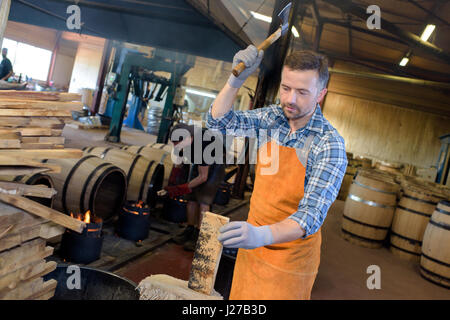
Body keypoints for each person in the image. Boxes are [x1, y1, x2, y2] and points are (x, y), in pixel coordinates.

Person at [207, 45, 348, 300]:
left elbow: (310, 217)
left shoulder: (329, 144)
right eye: (286, 88)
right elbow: (219, 122)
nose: (290, 99)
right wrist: (235, 80)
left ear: (321, 94)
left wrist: (261, 234)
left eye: (302, 92)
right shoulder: (274, 117)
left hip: (290, 261)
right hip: (252, 248)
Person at [159, 123, 226, 251]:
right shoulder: (187, 140)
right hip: (201, 162)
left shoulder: (202, 145)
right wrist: (175, 178)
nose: (175, 146)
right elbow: (180, 162)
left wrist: (180, 188)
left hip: (216, 164)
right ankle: (189, 229)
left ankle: (198, 235)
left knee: (203, 199)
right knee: (190, 197)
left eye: (177, 143)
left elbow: (203, 177)